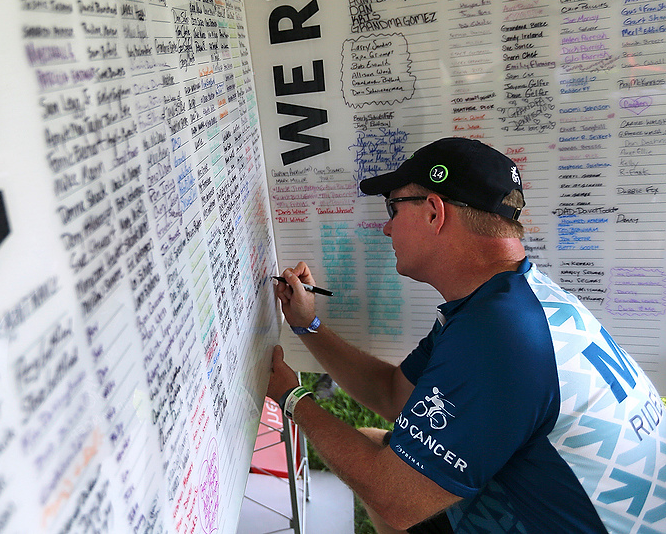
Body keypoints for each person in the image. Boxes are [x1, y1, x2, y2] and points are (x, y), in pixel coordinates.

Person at [267, 137, 666, 534]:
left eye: (393, 207)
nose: (387, 227)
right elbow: (393, 394)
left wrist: (293, 398)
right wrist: (308, 326)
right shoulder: (508, 300)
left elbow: (396, 499)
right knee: (377, 444)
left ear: (433, 213)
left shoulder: (501, 334)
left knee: (389, 485)